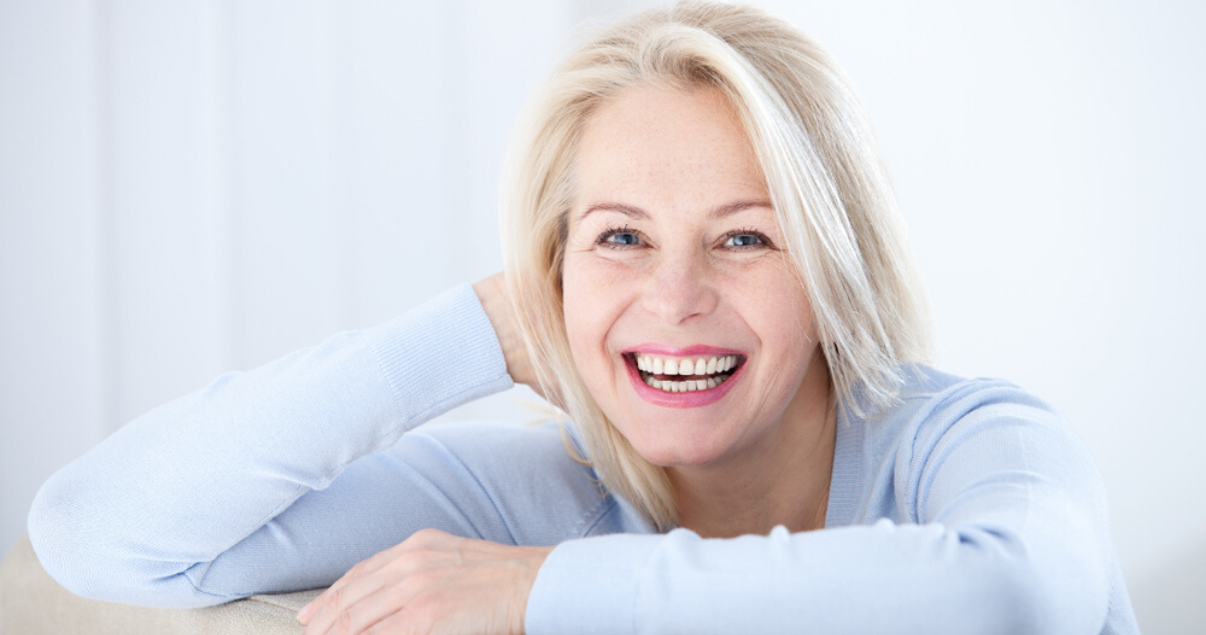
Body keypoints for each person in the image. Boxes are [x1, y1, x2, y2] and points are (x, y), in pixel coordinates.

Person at [28, 2, 1139, 634]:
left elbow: (1013, 591)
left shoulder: (974, 437)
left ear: (835, 268)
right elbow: (100, 533)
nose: (674, 295)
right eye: (619, 237)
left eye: (745, 236)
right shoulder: (533, 492)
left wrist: (536, 589)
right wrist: (478, 328)